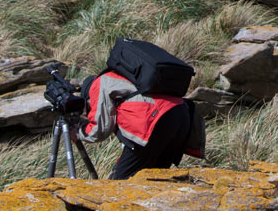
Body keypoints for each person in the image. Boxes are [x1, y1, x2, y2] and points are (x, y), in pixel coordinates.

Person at [72, 66, 205, 180]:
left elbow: (100, 128)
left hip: (153, 120)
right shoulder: (125, 76)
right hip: (181, 113)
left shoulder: (99, 83)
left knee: (120, 183)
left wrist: (79, 133)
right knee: (156, 179)